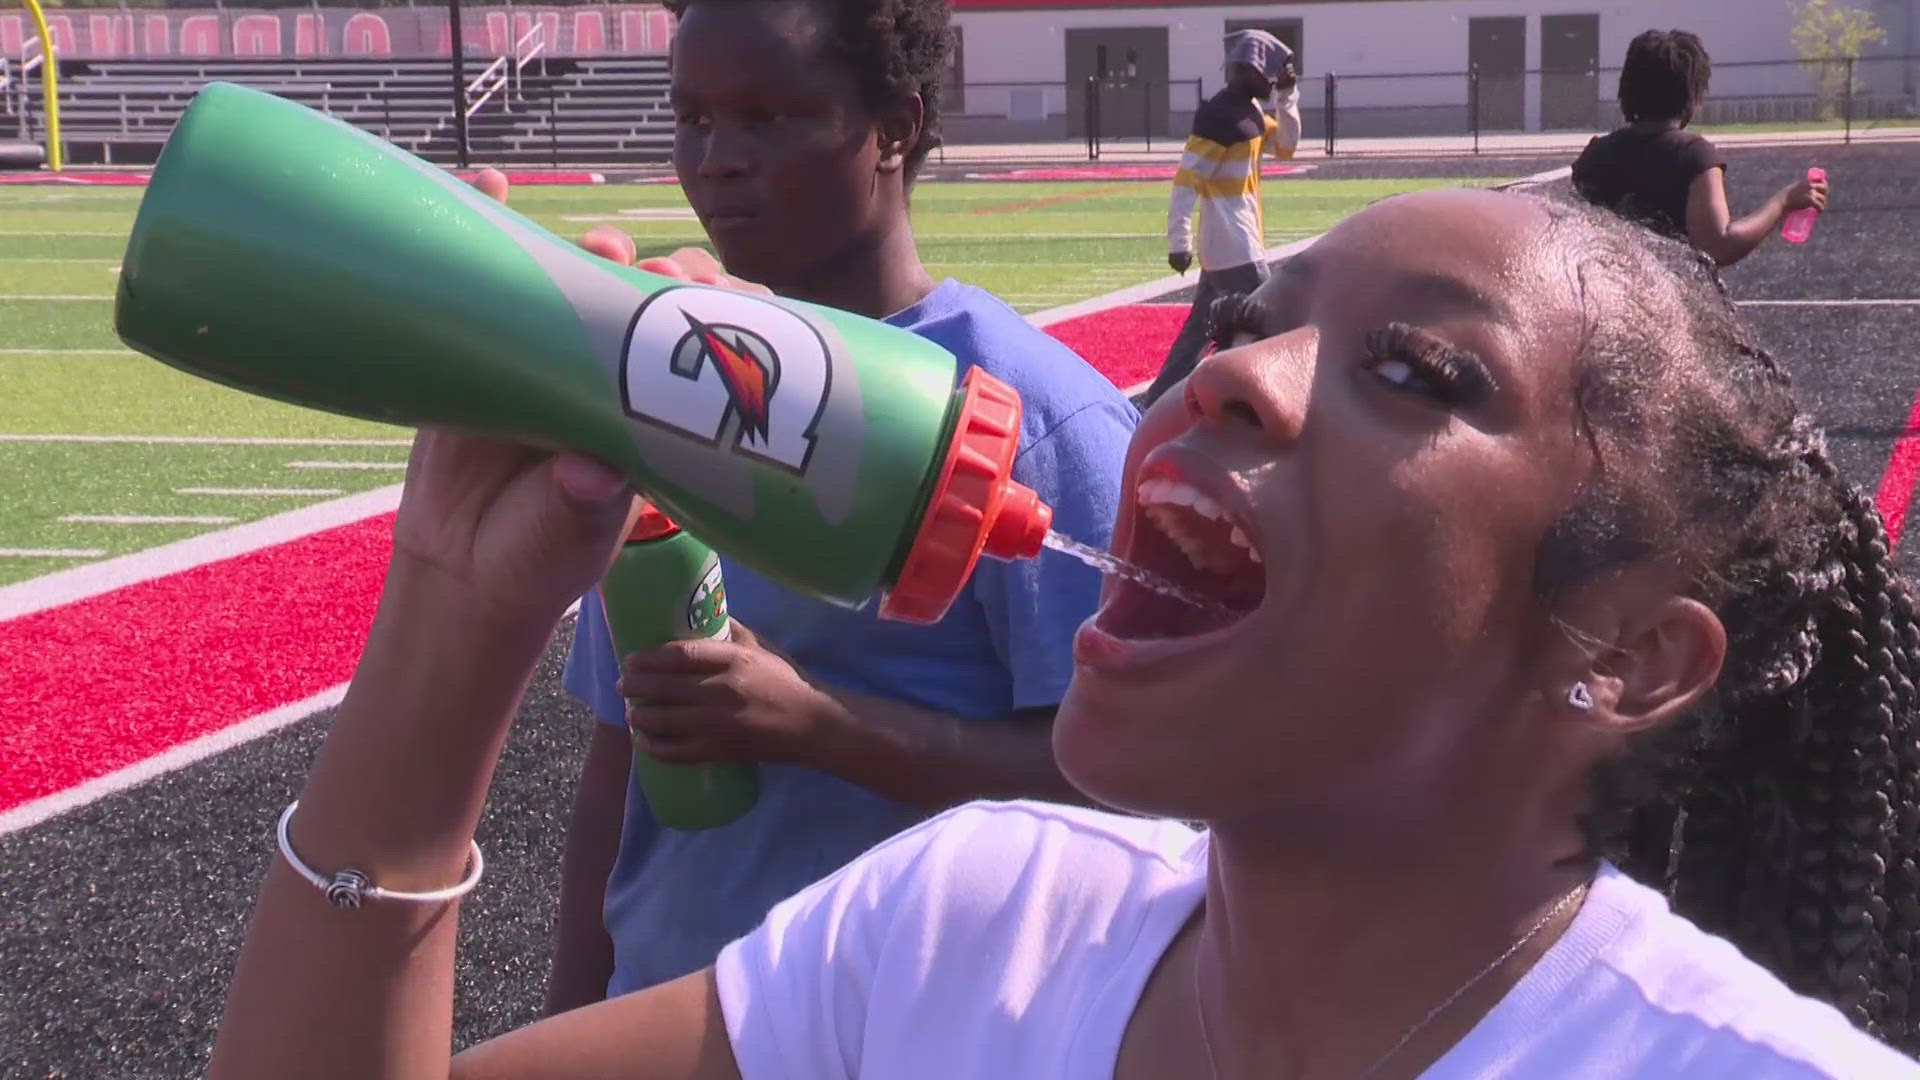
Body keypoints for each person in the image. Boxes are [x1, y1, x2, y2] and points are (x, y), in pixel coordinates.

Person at [207, 188, 1920, 1077]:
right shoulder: (970, 926)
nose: (1229, 371)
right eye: (1247, 319)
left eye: (1422, 372)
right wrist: (459, 602)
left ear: (1630, 652)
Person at [535, 0, 1139, 1012]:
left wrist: (822, 725)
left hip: (918, 1033)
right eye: (692, 118)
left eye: (770, 119)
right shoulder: (672, 380)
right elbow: (622, 756)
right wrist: (567, 1022)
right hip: (662, 1021)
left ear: (895, 128)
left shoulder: (1033, 418)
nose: (718, 158)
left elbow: (1137, 792)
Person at [1137, 28, 1301, 410]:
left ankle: (1153, 404)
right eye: (1268, 73)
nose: (1272, 79)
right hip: (1236, 247)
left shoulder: (1251, 114)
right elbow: (1185, 182)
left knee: (1197, 335)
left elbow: (1288, 147)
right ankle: (1269, 403)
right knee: (1270, 320)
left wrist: (1287, 96)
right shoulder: (1221, 118)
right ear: (1247, 69)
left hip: (1228, 245)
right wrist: (1179, 241)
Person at [1572, 29, 1829, 267]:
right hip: (1666, 303)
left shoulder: (1595, 154)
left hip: (1600, 299)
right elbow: (1718, 246)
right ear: (1692, 95)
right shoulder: (1693, 155)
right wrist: (1783, 201)